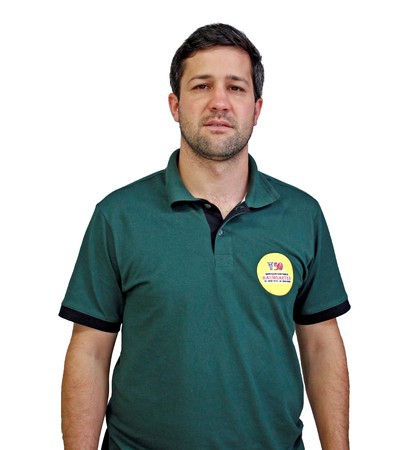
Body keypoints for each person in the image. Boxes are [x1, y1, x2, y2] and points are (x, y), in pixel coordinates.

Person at [60, 23, 351, 450]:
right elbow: (90, 350)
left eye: (235, 87)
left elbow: (322, 343)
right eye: (201, 86)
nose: (219, 102)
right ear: (175, 105)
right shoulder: (118, 216)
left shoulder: (301, 215)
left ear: (256, 108)